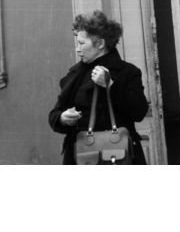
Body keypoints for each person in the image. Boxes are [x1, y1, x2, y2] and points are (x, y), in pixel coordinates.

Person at [48, 10, 149, 164]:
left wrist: (111, 86)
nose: (77, 49)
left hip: (118, 155)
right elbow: (55, 113)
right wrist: (62, 118)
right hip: (81, 156)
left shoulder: (127, 72)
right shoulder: (75, 75)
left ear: (100, 44)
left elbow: (139, 112)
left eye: (82, 43)